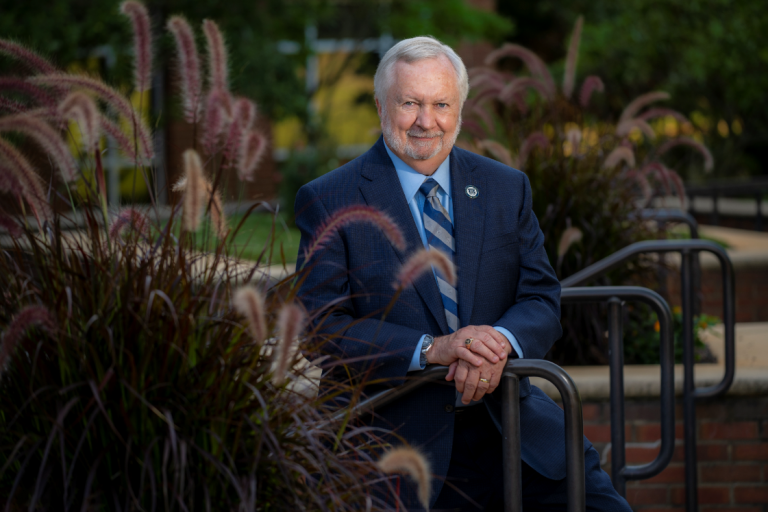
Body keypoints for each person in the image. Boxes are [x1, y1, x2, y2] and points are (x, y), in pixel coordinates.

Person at [294, 36, 631, 511]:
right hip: (393, 441)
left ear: (460, 108)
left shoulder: (504, 187)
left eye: (441, 104)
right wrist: (434, 350)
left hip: (511, 427)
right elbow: (320, 329)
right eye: (409, 103)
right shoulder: (329, 199)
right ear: (379, 105)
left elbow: (540, 296)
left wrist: (497, 344)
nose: (426, 121)